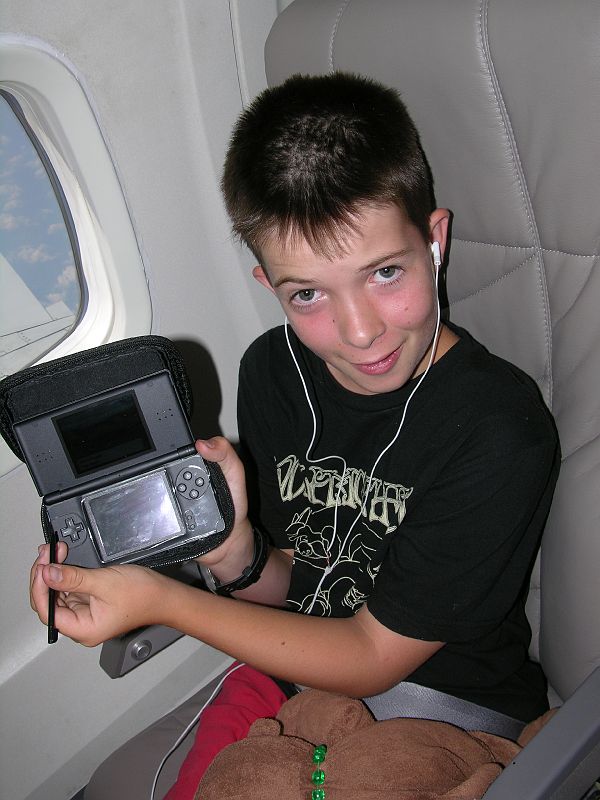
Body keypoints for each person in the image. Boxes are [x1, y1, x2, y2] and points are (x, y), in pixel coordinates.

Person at [30, 73, 559, 731]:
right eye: (307, 294)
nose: (361, 331)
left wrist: (165, 601)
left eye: (385, 273)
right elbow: (304, 584)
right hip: (306, 684)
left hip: (446, 714)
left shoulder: (497, 429)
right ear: (270, 286)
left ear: (435, 240)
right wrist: (233, 550)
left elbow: (371, 656)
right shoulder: (273, 373)